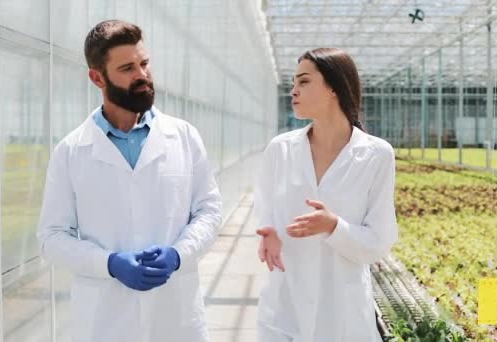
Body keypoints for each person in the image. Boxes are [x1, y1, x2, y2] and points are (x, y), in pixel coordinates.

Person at [37, 20, 222, 342]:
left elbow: (209, 211)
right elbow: (51, 237)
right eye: (127, 68)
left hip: (175, 313)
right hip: (105, 319)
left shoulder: (184, 136)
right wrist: (109, 264)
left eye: (144, 63)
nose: (142, 76)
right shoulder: (71, 150)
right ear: (97, 78)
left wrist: (179, 254)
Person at [254, 48, 398, 342]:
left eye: (304, 82)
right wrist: (269, 233)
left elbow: (379, 243)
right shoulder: (280, 150)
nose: (293, 91)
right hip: (284, 308)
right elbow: (266, 212)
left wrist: (334, 227)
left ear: (334, 86)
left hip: (342, 316)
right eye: (293, 83)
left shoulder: (376, 155)